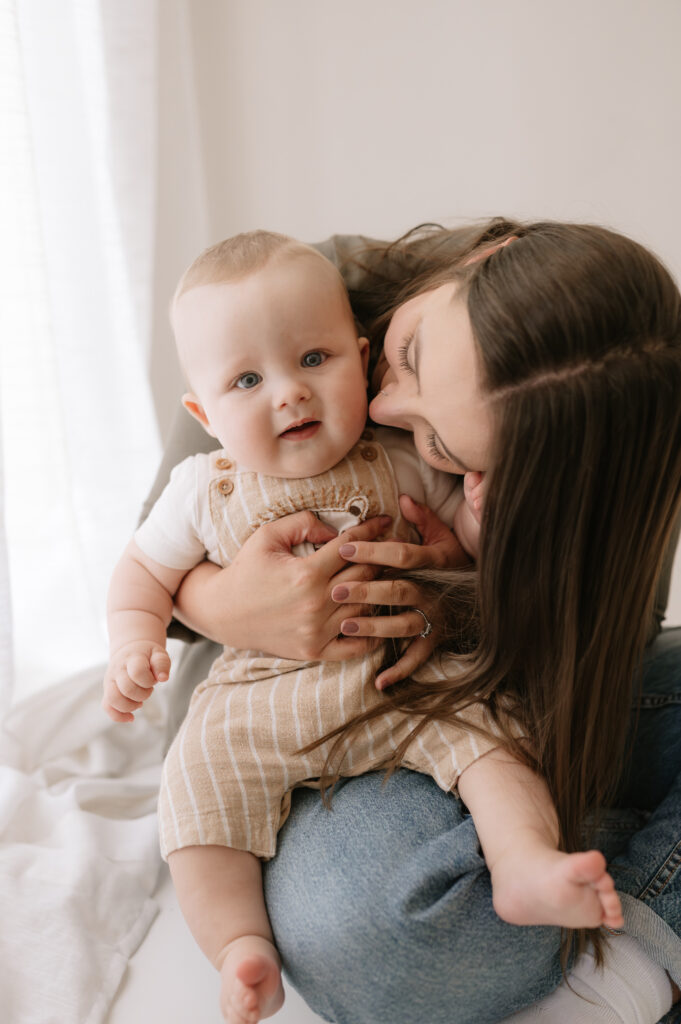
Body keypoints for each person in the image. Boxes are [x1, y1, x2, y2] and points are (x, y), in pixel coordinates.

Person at [154, 221, 681, 1024]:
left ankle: (626, 949)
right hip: (274, 728)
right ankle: (600, 848)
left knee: (483, 811)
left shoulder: (612, 434)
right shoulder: (279, 298)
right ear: (482, 260)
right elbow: (146, 558)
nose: (384, 403)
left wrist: (468, 587)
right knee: (375, 929)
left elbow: (604, 640)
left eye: (439, 443)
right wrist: (227, 603)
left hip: (457, 701)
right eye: (407, 357)